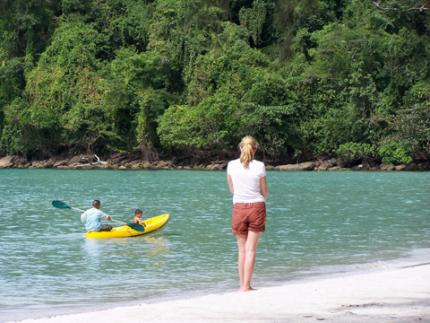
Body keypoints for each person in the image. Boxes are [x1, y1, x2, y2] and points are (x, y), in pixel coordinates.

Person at [226, 136, 268, 292]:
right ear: (255, 149)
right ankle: (246, 286)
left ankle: (241, 285)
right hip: (256, 207)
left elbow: (232, 190)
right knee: (251, 249)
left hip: (239, 208)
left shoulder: (231, 165)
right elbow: (265, 192)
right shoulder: (260, 166)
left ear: (240, 147)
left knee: (241, 249)